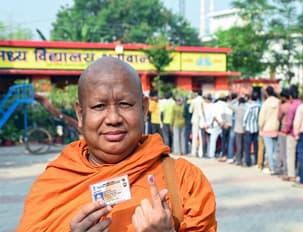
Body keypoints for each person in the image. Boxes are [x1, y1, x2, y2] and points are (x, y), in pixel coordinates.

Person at [17, 57, 217, 231]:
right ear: (80, 114)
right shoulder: (55, 184)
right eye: (99, 106)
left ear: (144, 108)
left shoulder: (183, 179)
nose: (113, 118)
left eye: (125, 104)